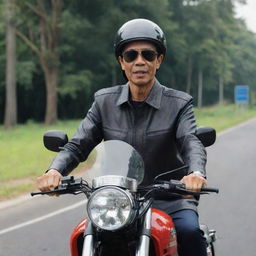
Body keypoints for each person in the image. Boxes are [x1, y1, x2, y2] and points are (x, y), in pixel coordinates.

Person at [37, 18, 208, 256]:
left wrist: (195, 173)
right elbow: (78, 144)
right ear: (121, 62)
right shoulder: (103, 102)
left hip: (170, 198)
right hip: (116, 200)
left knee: (189, 232)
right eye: (131, 56)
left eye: (148, 55)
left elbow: (191, 141)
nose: (140, 62)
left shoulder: (179, 104)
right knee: (84, 234)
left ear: (158, 60)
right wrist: (54, 171)